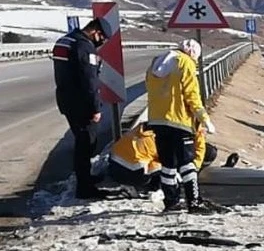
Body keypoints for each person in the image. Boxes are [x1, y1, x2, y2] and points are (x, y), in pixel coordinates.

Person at [145, 38, 220, 213]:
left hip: (157, 121)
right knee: (187, 163)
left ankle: (171, 202)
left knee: (168, 165)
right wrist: (204, 119)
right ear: (193, 54)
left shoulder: (156, 62)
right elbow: (192, 95)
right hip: (179, 121)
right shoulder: (186, 63)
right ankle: (194, 202)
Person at [52, 17, 112, 199]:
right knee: (86, 144)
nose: (101, 42)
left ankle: (85, 179)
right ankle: (85, 188)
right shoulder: (84, 47)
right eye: (102, 38)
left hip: (66, 100)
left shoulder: (65, 41)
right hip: (82, 104)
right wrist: (95, 108)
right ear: (95, 31)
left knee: (83, 142)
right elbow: (89, 81)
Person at [106, 121, 238, 195]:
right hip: (133, 173)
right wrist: (192, 172)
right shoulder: (170, 137)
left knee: (166, 163)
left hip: (114, 165)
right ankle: (143, 188)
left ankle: (140, 185)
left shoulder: (153, 125)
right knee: (170, 171)